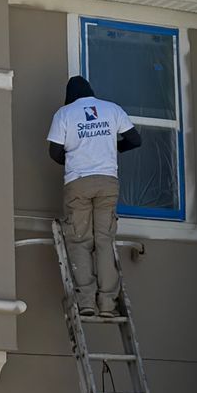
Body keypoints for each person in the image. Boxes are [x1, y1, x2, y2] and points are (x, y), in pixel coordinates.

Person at [46, 76, 140, 315]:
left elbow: (54, 152)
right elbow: (135, 140)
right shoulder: (112, 109)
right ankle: (108, 303)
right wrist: (114, 148)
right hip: (108, 181)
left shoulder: (65, 114)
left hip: (78, 183)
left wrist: (73, 160)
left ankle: (86, 301)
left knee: (79, 240)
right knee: (104, 241)